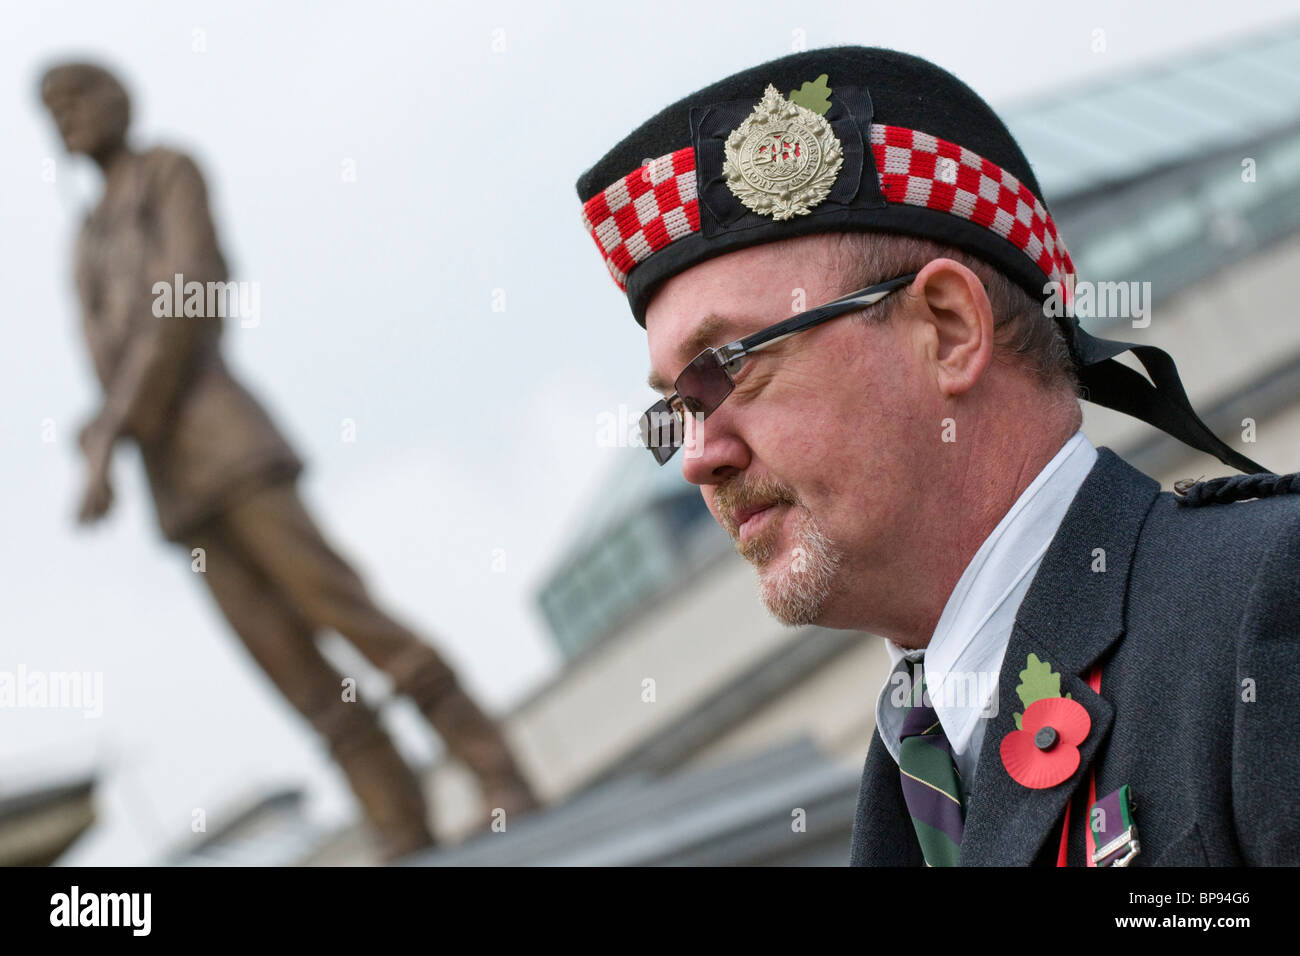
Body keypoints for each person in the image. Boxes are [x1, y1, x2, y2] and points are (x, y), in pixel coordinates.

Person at [574, 47, 1300, 865]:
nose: (697, 459)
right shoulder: (909, 786)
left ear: (949, 330)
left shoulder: (1268, 605)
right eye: (677, 408)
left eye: (730, 365)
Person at [40, 61, 538, 862]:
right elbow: (103, 355)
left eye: (76, 100)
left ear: (116, 100)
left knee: (352, 617)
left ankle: (497, 772)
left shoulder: (168, 172)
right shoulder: (84, 241)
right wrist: (99, 429)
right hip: (177, 491)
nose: (65, 121)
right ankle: (398, 824)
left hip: (227, 444)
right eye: (50, 113)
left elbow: (189, 293)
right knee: (295, 675)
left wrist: (115, 429)